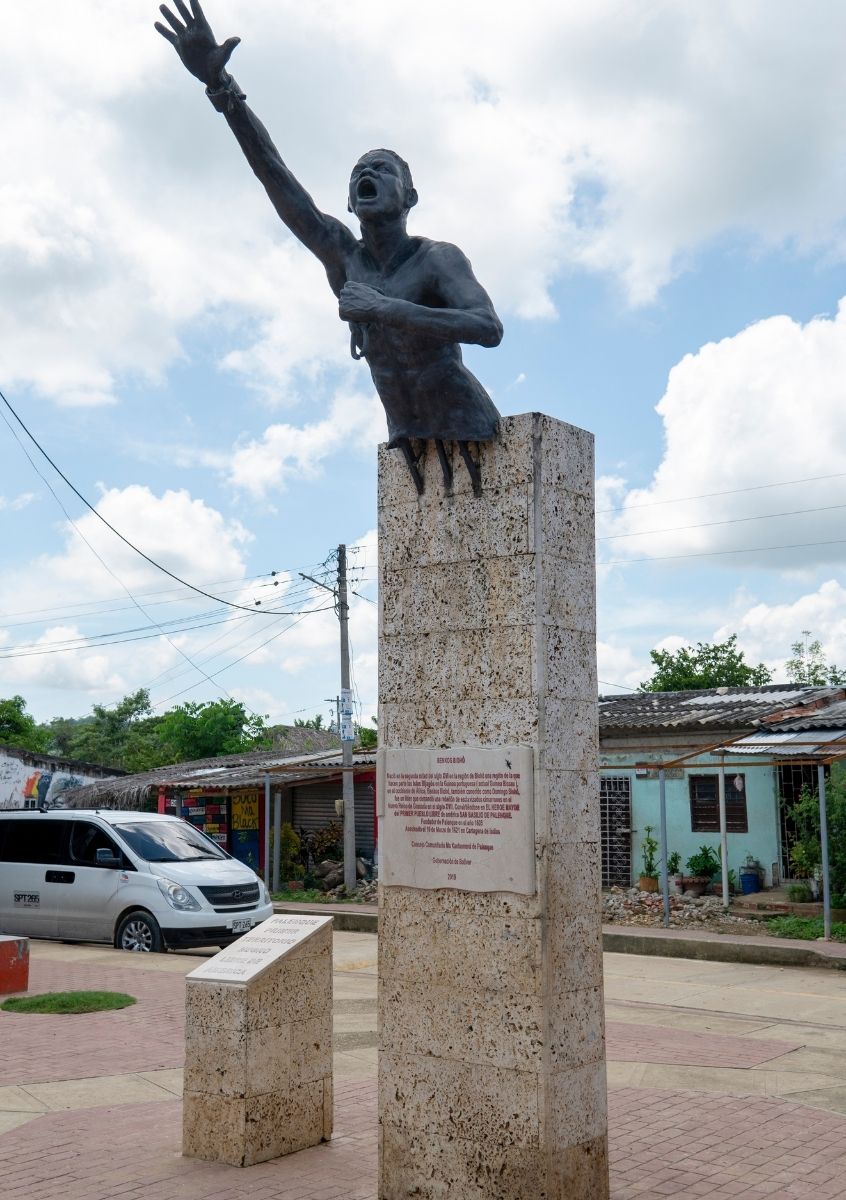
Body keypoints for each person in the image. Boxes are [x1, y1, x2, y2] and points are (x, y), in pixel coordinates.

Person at [155, 0, 504, 492]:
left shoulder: (437, 258)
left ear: (411, 196)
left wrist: (385, 309)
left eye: (383, 169)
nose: (367, 173)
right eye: (359, 172)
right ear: (348, 201)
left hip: (468, 426)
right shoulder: (344, 255)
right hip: (409, 438)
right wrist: (223, 91)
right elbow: (274, 175)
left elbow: (487, 328)